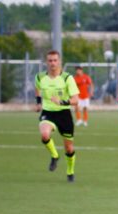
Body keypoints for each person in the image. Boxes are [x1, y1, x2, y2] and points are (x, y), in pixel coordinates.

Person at [35, 50, 79, 183]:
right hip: (48, 112)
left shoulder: (67, 78)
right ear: (46, 62)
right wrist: (38, 103)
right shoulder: (40, 77)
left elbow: (76, 100)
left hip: (64, 114)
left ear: (59, 61)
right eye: (50, 60)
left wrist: (61, 102)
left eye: (55, 60)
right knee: (44, 135)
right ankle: (55, 156)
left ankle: (70, 171)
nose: (52, 63)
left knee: (69, 148)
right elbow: (37, 89)